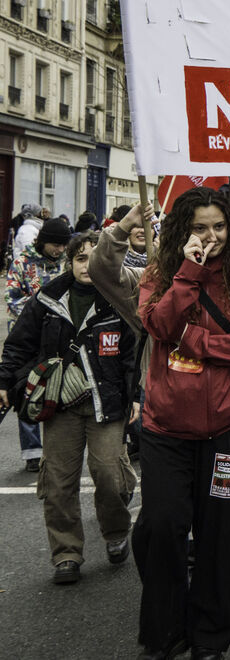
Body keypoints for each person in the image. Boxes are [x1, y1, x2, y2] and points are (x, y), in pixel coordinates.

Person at [133, 187, 230, 660]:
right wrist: (187, 273)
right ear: (182, 230)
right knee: (160, 527)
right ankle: (165, 631)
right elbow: (159, 326)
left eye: (218, 226)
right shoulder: (161, 271)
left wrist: (199, 343)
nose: (211, 236)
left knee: (220, 534)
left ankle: (210, 636)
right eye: (199, 228)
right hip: (167, 427)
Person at [0, 231, 138, 584]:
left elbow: (135, 354)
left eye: (94, 258)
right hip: (58, 405)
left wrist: (137, 395)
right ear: (70, 262)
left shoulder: (120, 299)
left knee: (109, 475)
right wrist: (5, 381)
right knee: (58, 483)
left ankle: (116, 532)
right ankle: (66, 554)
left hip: (107, 404)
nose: (86, 265)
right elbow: (18, 345)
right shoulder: (47, 300)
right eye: (79, 258)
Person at [7, 216, 70, 471]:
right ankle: (32, 452)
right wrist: (39, 310)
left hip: (60, 337)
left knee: (61, 389)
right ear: (43, 241)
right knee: (27, 389)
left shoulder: (67, 264)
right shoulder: (22, 263)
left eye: (63, 245)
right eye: (55, 244)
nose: (59, 249)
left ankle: (60, 449)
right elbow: (12, 298)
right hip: (28, 336)